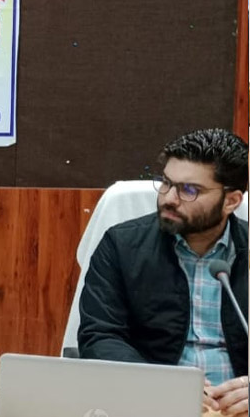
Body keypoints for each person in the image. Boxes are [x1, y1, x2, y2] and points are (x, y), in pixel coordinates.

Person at [78, 128, 248, 417]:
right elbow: (100, 336)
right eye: (166, 183)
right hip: (151, 406)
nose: (169, 198)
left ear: (231, 201)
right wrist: (159, 385)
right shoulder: (122, 245)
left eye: (189, 190)